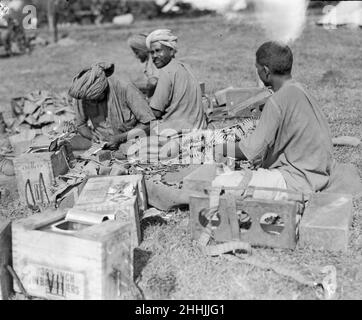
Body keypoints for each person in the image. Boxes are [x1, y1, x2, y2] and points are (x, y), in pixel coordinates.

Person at [215, 41, 334, 199]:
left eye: (257, 69)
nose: (257, 72)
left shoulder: (277, 100)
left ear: (265, 71)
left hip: (296, 180)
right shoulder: (300, 89)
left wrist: (216, 148)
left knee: (220, 183)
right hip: (318, 174)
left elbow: (248, 151)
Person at [68, 62, 156, 149]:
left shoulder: (125, 88)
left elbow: (149, 124)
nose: (93, 102)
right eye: (90, 101)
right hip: (104, 146)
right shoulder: (83, 93)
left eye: (96, 99)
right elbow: (81, 125)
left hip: (133, 143)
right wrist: (92, 137)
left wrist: (120, 138)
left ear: (104, 89)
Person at [145, 29, 207, 134]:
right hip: (198, 127)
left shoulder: (166, 72)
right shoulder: (185, 67)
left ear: (171, 51)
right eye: (152, 52)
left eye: (158, 50)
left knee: (131, 138)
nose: (154, 56)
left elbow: (155, 113)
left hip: (180, 132)